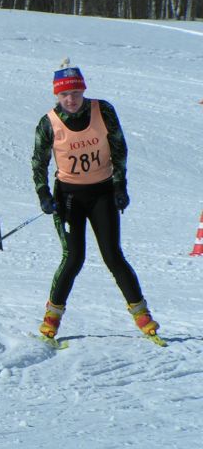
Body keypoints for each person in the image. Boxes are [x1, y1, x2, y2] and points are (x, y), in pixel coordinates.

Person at [31, 59, 160, 340]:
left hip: (102, 193)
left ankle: (142, 315)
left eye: (75, 94)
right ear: (57, 95)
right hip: (69, 197)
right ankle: (51, 318)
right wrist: (43, 194)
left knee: (113, 255)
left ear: (83, 91)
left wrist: (120, 186)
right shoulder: (49, 123)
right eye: (65, 95)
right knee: (73, 258)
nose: (71, 100)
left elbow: (119, 148)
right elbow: (38, 162)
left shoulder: (103, 111)